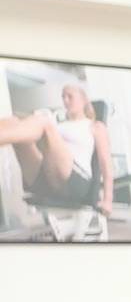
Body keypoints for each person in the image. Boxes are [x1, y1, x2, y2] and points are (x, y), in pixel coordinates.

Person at [0, 82, 113, 215]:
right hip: (48, 178)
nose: (65, 100)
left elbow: (106, 163)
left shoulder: (95, 126)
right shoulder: (59, 125)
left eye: (70, 96)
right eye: (63, 97)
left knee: (43, 121)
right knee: (13, 121)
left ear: (83, 99)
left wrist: (108, 200)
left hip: (76, 182)